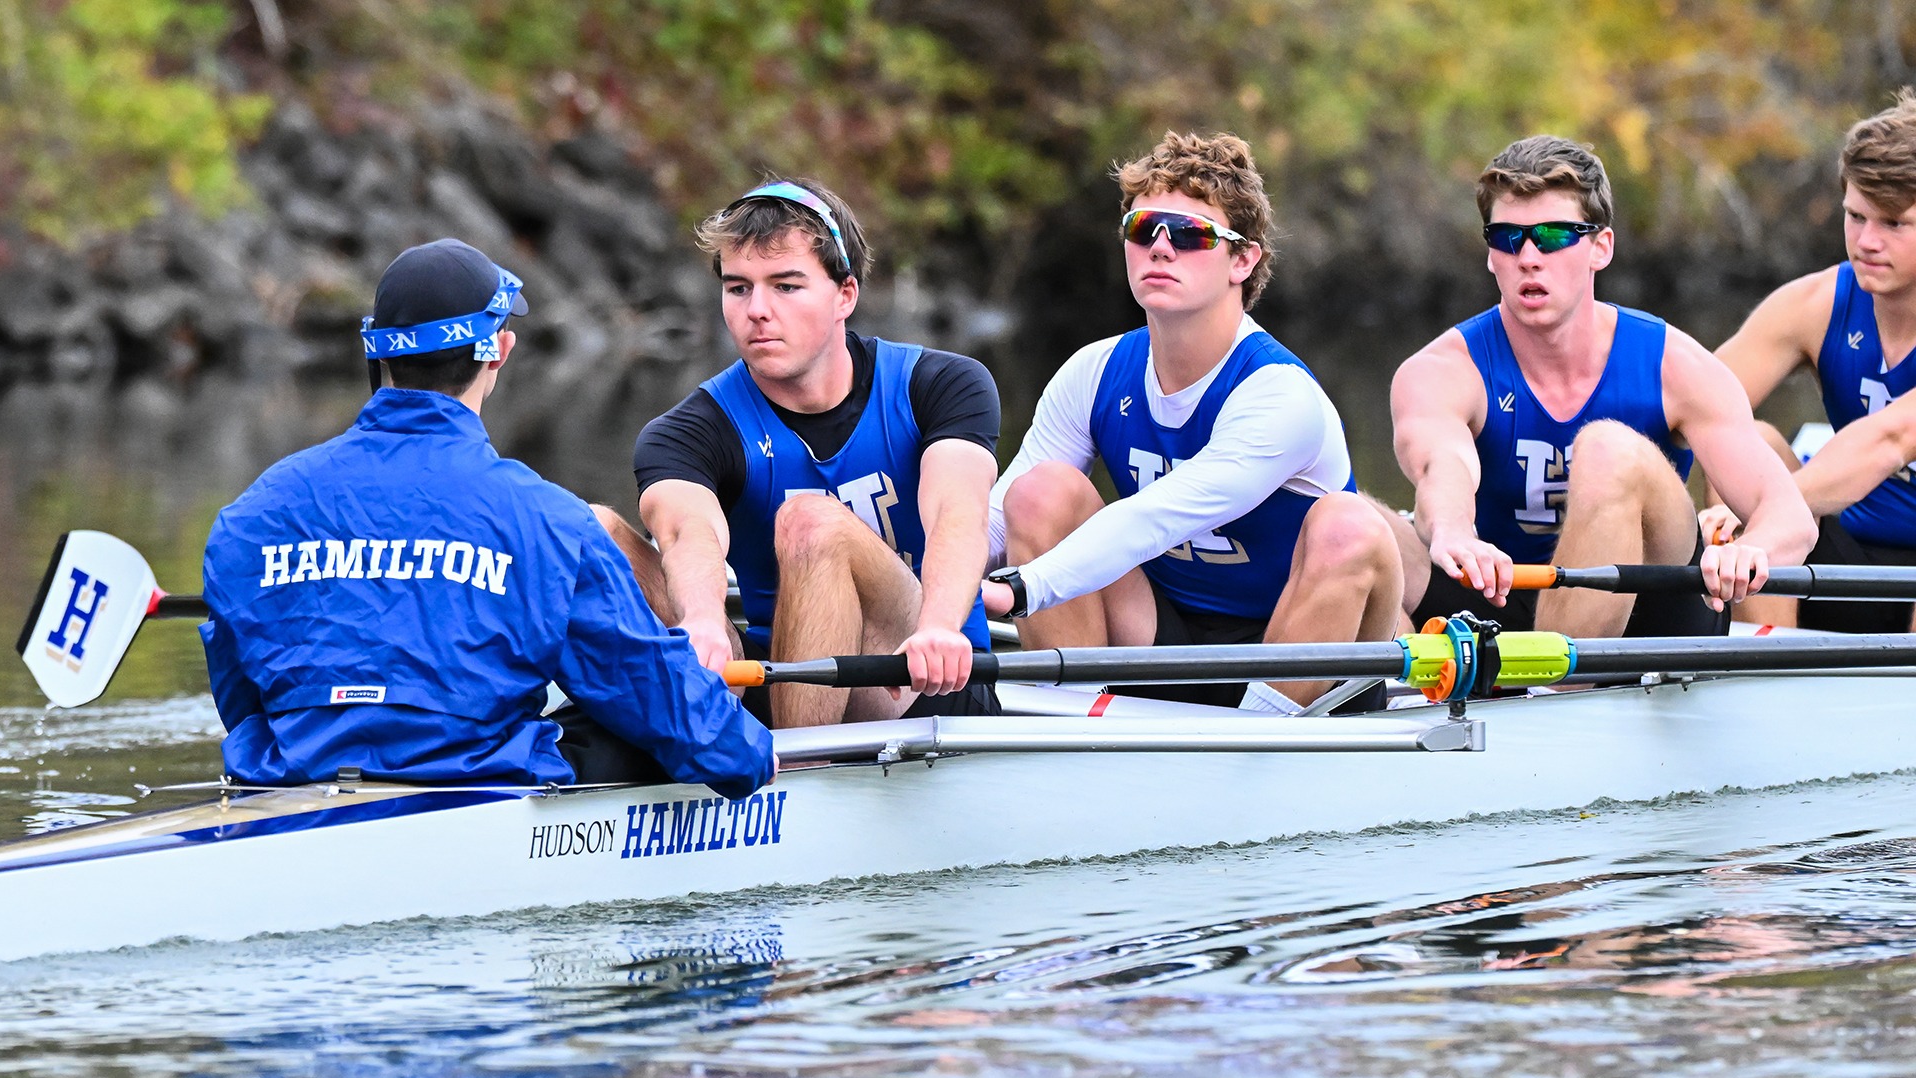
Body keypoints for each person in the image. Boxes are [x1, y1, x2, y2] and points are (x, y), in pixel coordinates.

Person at [201, 238, 773, 796]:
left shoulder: (250, 516)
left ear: (377, 352)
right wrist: (745, 751)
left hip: (292, 773)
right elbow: (646, 688)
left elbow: (240, 696)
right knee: (630, 722)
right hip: (476, 779)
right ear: (499, 350)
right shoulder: (550, 521)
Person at [980, 130, 1404, 711]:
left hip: (1299, 649)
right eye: (1142, 229)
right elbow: (998, 526)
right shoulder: (1094, 371)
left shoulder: (1279, 395)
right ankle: (1072, 730)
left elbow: (1153, 519)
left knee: (1350, 525)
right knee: (1038, 493)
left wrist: (1019, 591)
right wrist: (922, 583)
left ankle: (1258, 752)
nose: (1160, 248)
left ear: (1242, 259)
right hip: (1163, 635)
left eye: (1189, 234)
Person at [595, 179, 1003, 729]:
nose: (757, 311)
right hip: (771, 680)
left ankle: (799, 776)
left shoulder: (941, 384)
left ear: (845, 296)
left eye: (785, 286)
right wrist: (702, 620)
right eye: (738, 289)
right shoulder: (689, 430)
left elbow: (958, 515)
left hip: (927, 673)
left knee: (810, 522)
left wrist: (939, 626)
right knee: (585, 528)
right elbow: (686, 532)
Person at [1389, 135, 1816, 638]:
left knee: (1608, 448)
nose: (1528, 256)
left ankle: (1564, 684)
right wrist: (1454, 530)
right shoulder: (1439, 370)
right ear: (1490, 254)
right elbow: (1445, 465)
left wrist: (1751, 551)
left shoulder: (1674, 365)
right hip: (1495, 597)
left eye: (1552, 236)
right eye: (1508, 237)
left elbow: (1790, 518)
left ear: (1600, 247)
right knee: (1353, 524)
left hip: (1652, 611)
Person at [1699, 91, 1916, 632]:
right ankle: (1767, 663)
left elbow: (1890, 439)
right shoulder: (1815, 304)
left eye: (1893, 223)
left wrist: (1768, 512)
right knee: (1752, 441)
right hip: (1845, 554)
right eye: (1855, 215)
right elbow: (1693, 402)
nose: (1866, 242)